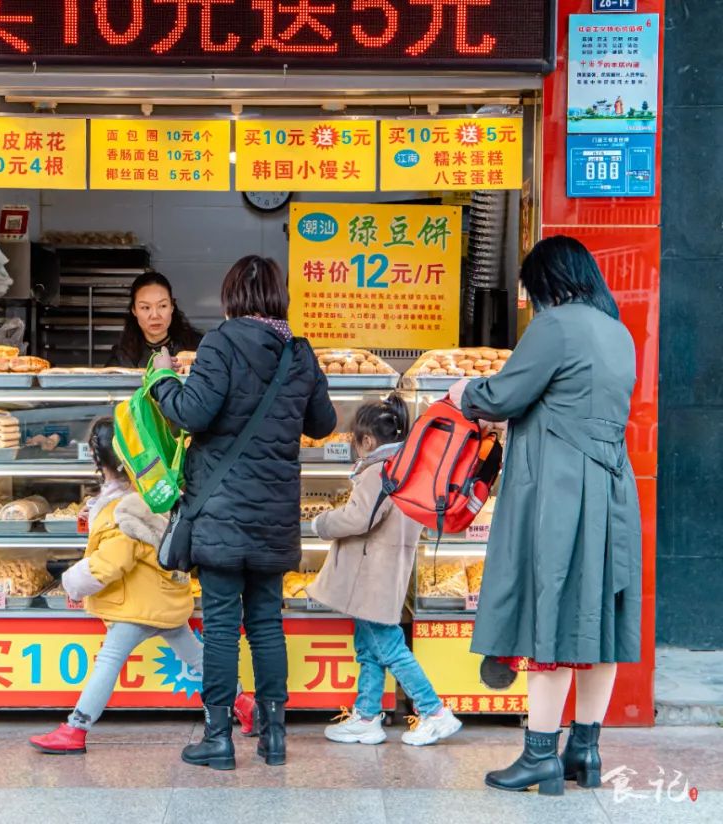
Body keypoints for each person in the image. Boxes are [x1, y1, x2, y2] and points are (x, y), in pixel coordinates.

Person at [448, 236, 641, 796]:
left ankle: (539, 755)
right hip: (612, 487)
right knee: (599, 617)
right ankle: (586, 749)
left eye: (532, 290)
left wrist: (466, 392)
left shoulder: (557, 326)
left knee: (550, 609)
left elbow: (504, 395)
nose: (532, 301)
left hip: (559, 488)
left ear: (548, 282)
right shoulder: (618, 331)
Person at [150, 255, 337, 770]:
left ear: (232, 297)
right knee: (266, 624)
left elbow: (191, 413)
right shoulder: (299, 352)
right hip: (275, 514)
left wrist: (164, 379)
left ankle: (218, 738)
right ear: (280, 297)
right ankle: (274, 738)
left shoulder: (220, 343)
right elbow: (323, 424)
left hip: (220, 512)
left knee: (222, 625)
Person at [28, 418, 254, 755]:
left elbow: (111, 562)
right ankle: (246, 704)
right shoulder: (149, 495)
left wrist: (72, 583)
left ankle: (75, 728)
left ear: (97, 459)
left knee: (108, 661)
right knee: (198, 658)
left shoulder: (123, 511)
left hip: (137, 605)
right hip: (164, 596)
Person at [309, 394, 462, 747]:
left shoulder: (378, 471)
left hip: (370, 575)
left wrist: (322, 523)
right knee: (369, 645)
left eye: (355, 441)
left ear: (366, 440)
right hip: (385, 570)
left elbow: (360, 518)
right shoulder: (407, 467)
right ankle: (366, 716)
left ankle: (434, 712)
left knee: (389, 645)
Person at [106, 272, 203, 367]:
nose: (155, 315)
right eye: (146, 307)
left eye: (162, 306)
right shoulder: (122, 357)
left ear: (172, 306)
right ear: (134, 310)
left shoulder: (198, 347)